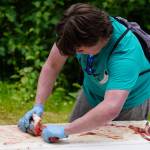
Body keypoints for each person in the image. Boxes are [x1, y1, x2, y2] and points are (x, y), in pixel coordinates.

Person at [18, 3, 150, 143]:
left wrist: (66, 130)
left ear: (99, 39)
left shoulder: (125, 54)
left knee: (113, 144)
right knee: (75, 143)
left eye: (80, 50)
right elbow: (52, 66)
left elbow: (111, 107)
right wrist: (38, 106)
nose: (75, 53)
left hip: (129, 102)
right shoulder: (74, 32)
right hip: (92, 93)